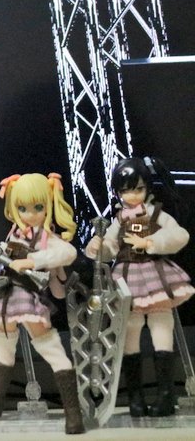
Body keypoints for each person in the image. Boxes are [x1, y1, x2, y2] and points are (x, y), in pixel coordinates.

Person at [0, 173, 83, 434]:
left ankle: (72, 410)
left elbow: (68, 252)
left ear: (48, 205)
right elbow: (2, 254)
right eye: (22, 208)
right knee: (2, 338)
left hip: (28, 295)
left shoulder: (47, 238)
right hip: (7, 292)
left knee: (48, 345)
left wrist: (33, 261)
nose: (30, 214)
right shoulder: (15, 233)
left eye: (38, 207)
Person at [86, 156, 192, 417]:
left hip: (154, 273)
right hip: (126, 277)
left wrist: (151, 242)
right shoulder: (118, 219)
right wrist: (99, 246)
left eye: (138, 189)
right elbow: (111, 246)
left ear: (147, 188)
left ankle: (166, 395)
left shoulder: (157, 214)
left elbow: (180, 235)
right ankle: (135, 397)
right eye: (125, 191)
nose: (132, 196)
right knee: (129, 330)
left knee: (161, 325)